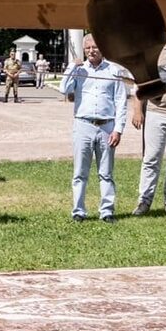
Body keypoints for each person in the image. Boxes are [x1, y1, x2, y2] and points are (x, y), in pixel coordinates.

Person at [61, 34, 133, 222]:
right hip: (83, 125)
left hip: (106, 127)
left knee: (106, 173)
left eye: (95, 47)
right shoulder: (79, 70)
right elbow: (64, 89)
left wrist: (118, 129)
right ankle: (78, 211)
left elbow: (120, 102)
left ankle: (107, 211)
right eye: (87, 48)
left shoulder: (114, 71)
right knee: (79, 173)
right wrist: (72, 67)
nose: (91, 51)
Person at [132, 28, 166, 215]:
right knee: (151, 159)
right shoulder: (155, 51)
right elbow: (140, 81)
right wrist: (138, 110)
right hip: (158, 112)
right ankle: (144, 201)